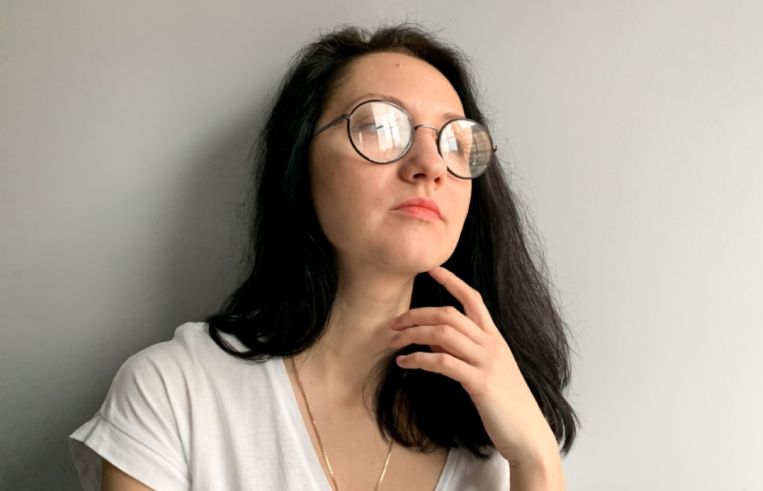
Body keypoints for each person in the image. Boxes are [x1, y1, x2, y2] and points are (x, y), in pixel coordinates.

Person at [69, 24, 578, 490]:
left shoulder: (494, 429)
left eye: (454, 139)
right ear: (300, 164)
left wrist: (535, 457)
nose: (430, 165)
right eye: (381, 127)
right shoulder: (176, 393)